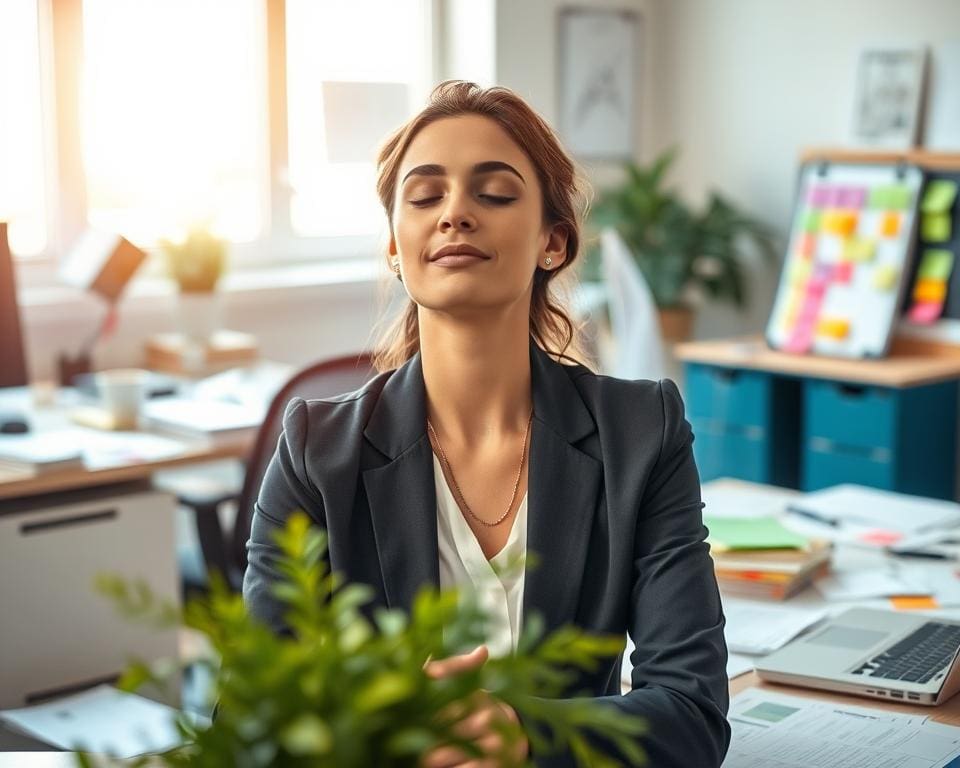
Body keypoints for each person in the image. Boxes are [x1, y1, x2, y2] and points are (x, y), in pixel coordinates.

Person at [244, 80, 729, 767]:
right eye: (424, 196)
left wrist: (522, 732)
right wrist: (387, 728)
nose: (455, 214)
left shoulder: (641, 432)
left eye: (495, 193)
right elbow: (251, 718)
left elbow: (692, 715)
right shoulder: (317, 452)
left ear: (552, 242)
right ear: (394, 244)